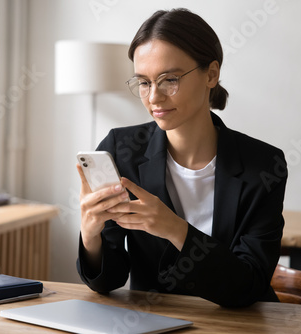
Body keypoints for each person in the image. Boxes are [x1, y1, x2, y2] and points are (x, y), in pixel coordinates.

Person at [76, 8, 287, 308]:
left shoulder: (264, 166)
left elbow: (249, 285)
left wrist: (174, 228)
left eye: (169, 80)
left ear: (211, 74)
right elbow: (109, 281)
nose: (153, 98)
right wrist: (90, 234)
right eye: (144, 83)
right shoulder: (121, 150)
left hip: (238, 325)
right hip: (151, 322)